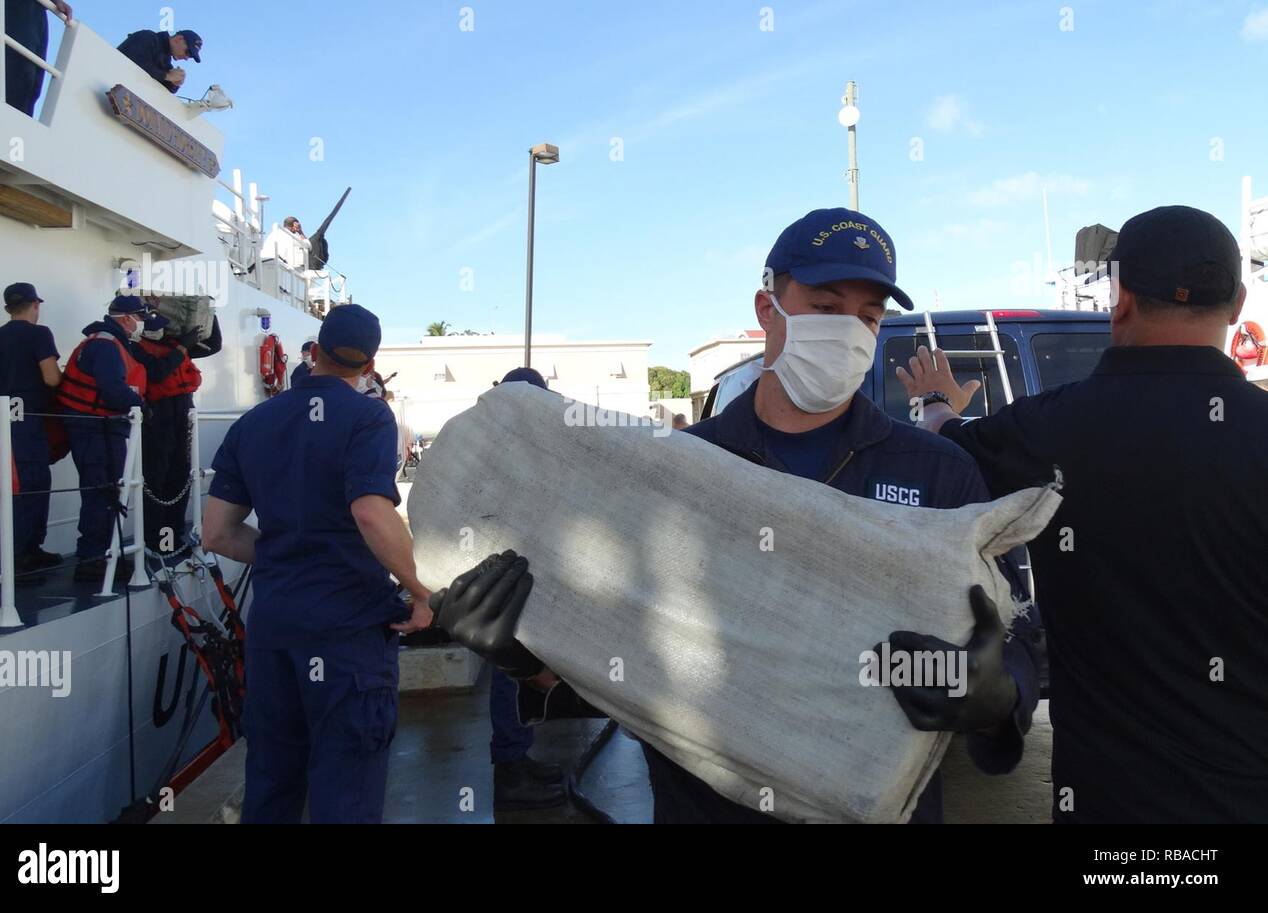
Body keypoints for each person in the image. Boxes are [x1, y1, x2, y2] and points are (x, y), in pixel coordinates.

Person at [433, 209, 1043, 823]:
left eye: (867, 317)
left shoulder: (937, 471)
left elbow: (1010, 630)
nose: (849, 332)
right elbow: (625, 657)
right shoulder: (678, 470)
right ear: (766, 308)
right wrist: (526, 657)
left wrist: (999, 694)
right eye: (826, 308)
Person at [897, 204, 1268, 823]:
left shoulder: (1047, 433)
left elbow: (946, 443)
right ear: (1236, 304)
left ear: (1120, 300)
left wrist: (937, 402)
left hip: (1109, 807)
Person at [202, 304, 436, 824]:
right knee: (346, 782)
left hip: (274, 627)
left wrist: (288, 551)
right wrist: (419, 591)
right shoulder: (369, 416)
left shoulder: (253, 423)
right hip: (346, 628)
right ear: (369, 365)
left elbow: (216, 533)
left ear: (315, 352)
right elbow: (371, 512)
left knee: (272, 775)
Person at [487, 367, 565, 810]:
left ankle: (518, 755)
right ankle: (509, 771)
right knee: (510, 672)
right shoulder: (507, 447)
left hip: (518, 575)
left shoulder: (512, 441)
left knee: (519, 673)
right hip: (507, 579)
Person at [56, 295, 147, 583]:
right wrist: (143, 405)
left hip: (96, 427)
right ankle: (94, 559)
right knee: (102, 493)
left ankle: (101, 554)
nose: (142, 323)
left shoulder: (103, 340)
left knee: (103, 492)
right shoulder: (107, 345)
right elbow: (112, 390)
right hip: (97, 429)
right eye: (140, 316)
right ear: (126, 318)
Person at [0, 283, 62, 581]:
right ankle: (8, 558)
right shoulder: (40, 334)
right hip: (27, 420)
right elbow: (51, 378)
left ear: (7, 308)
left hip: (1, 423)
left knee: (15, 487)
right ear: (35, 305)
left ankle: (24, 551)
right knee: (32, 486)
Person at [131, 310, 221, 562]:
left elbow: (214, 345)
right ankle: (157, 540)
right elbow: (157, 372)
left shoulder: (178, 345)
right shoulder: (136, 348)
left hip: (182, 410)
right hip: (157, 414)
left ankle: (171, 536)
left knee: (179, 475)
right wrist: (183, 347)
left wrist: (209, 312)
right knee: (156, 477)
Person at [0, 0, 73, 117]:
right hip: (15, 8)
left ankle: (16, 125)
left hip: (35, 10)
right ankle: (5, 122)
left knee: (33, 85)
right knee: (21, 74)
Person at [115, 28, 201, 95]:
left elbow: (167, 86)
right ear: (178, 39)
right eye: (188, 52)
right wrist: (168, 76)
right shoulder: (147, 37)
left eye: (190, 56)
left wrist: (175, 83)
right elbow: (135, 60)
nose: (186, 58)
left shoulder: (166, 61)